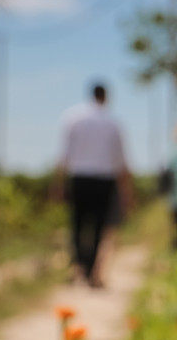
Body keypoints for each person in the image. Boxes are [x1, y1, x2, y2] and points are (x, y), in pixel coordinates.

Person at [56, 83, 133, 288]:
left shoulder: (72, 118)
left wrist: (57, 184)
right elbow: (121, 160)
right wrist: (126, 191)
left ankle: (80, 265)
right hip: (103, 181)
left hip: (79, 178)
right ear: (105, 97)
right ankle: (90, 271)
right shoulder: (114, 122)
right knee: (99, 226)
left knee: (77, 225)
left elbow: (64, 155)